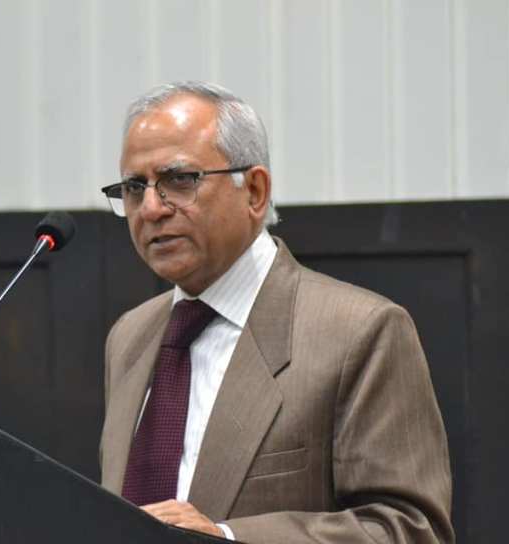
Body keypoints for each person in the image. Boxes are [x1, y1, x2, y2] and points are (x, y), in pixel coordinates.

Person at [98, 81, 454, 543]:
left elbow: (409, 529)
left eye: (179, 180)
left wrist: (227, 538)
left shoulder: (360, 332)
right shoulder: (129, 336)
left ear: (254, 191)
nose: (150, 208)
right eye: (133, 187)